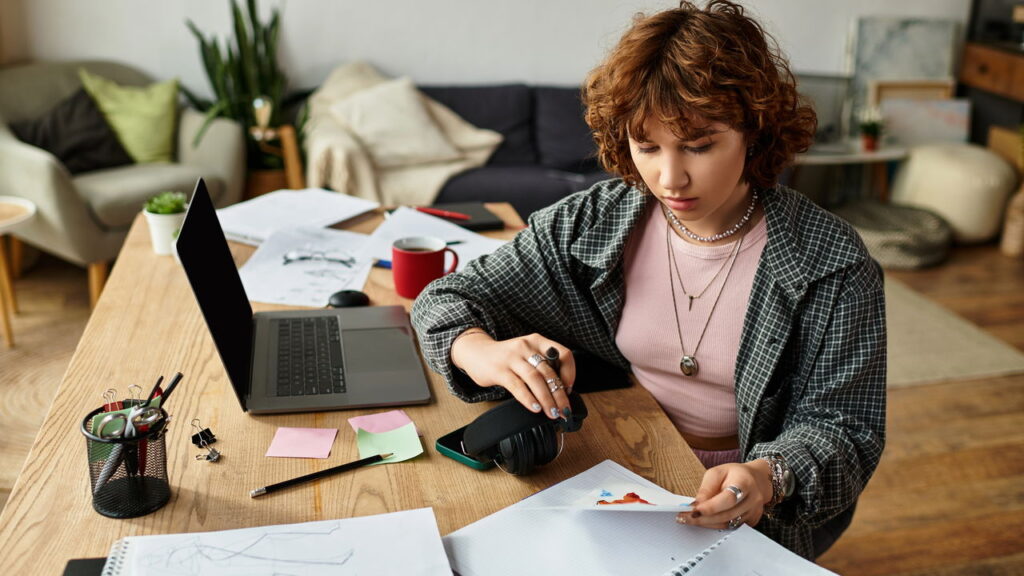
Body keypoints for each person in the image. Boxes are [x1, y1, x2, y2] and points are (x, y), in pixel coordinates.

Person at [411, 0, 885, 560]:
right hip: (617, 461)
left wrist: (768, 475)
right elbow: (446, 298)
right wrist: (479, 351)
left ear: (754, 131)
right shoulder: (594, 221)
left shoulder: (831, 263)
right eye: (647, 147)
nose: (669, 177)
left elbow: (847, 428)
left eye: (699, 146)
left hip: (754, 507)